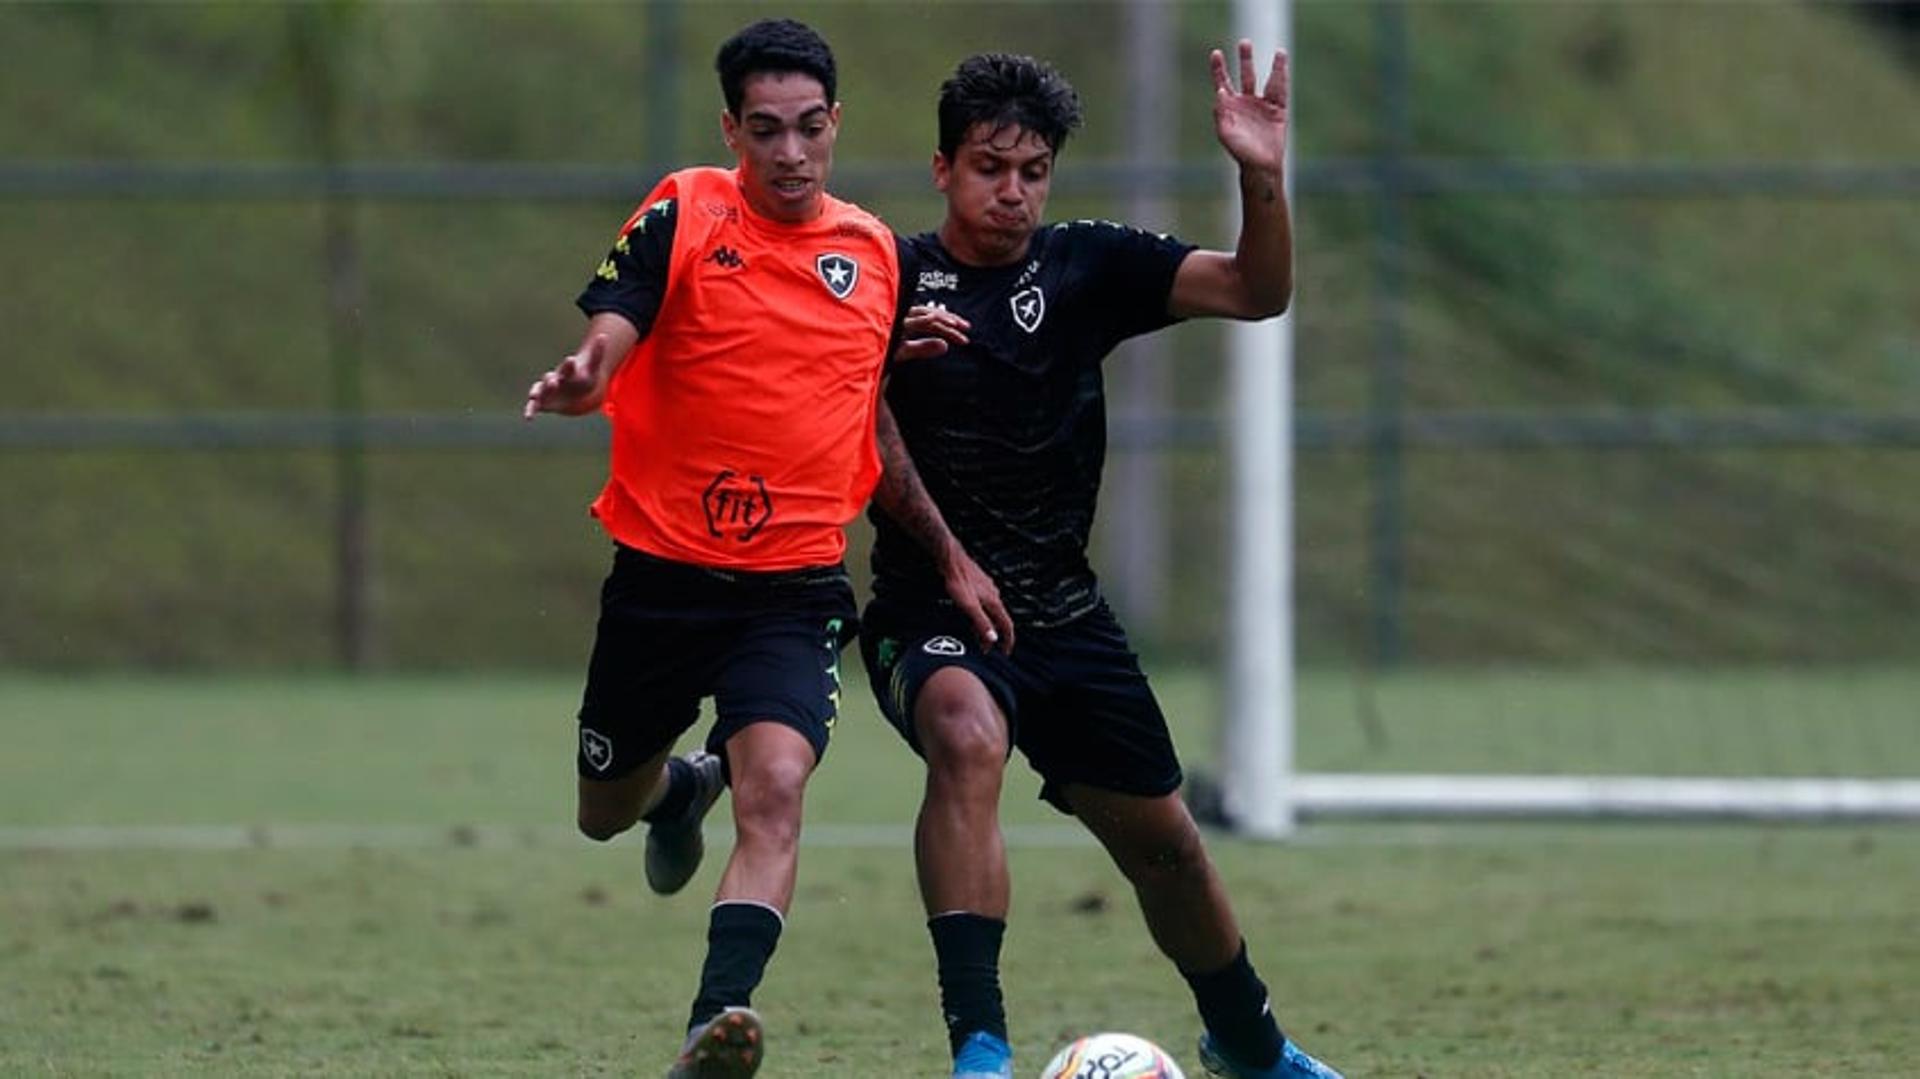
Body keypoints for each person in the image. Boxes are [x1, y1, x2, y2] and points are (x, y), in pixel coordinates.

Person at [861, 46, 1343, 1079]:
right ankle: (981, 1047)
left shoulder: (1082, 264)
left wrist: (1260, 173)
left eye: (1033, 171)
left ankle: (1252, 1045)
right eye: (991, 167)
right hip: (928, 603)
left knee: (1165, 843)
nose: (1015, 191)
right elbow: (806, 417)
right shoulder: (883, 280)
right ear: (941, 168)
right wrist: (878, 360)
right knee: (966, 734)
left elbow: (1257, 290)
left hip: (1065, 614)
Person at [522, 19, 914, 1079]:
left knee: (777, 781)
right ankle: (672, 790)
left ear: (837, 124)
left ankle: (718, 1018)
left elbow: (871, 391)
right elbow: (618, 315)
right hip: (659, 578)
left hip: (793, 587)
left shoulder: (875, 253)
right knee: (605, 811)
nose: (790, 152)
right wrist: (590, 372)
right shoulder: (687, 206)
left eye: (811, 128)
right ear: (731, 129)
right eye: (767, 130)